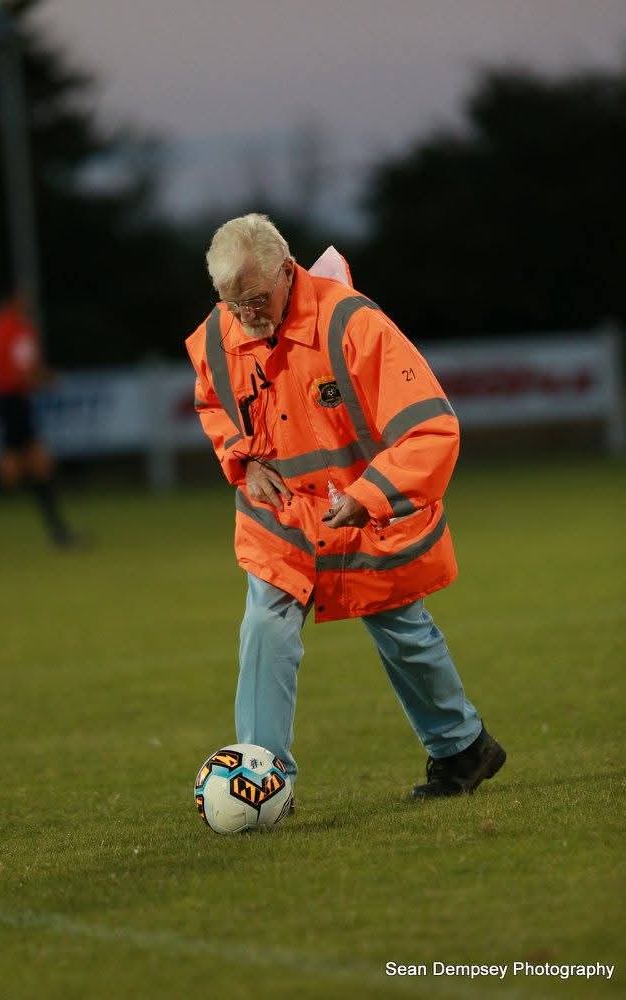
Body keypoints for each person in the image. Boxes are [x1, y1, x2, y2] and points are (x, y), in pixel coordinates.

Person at [185, 213, 506, 800]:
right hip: (283, 519)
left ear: (288, 271)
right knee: (265, 625)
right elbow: (213, 403)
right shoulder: (218, 334)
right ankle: (260, 775)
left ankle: (462, 747)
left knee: (401, 627)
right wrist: (243, 461)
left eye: (255, 299)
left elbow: (432, 427)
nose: (244, 316)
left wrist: (369, 496)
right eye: (231, 303)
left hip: (364, 512)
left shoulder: (353, 324)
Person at [0, 295, 78, 547]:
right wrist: (48, 379)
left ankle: (58, 529)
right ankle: (58, 530)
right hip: (16, 400)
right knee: (33, 464)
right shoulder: (20, 330)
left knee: (23, 461)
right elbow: (28, 369)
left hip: (1, 399)